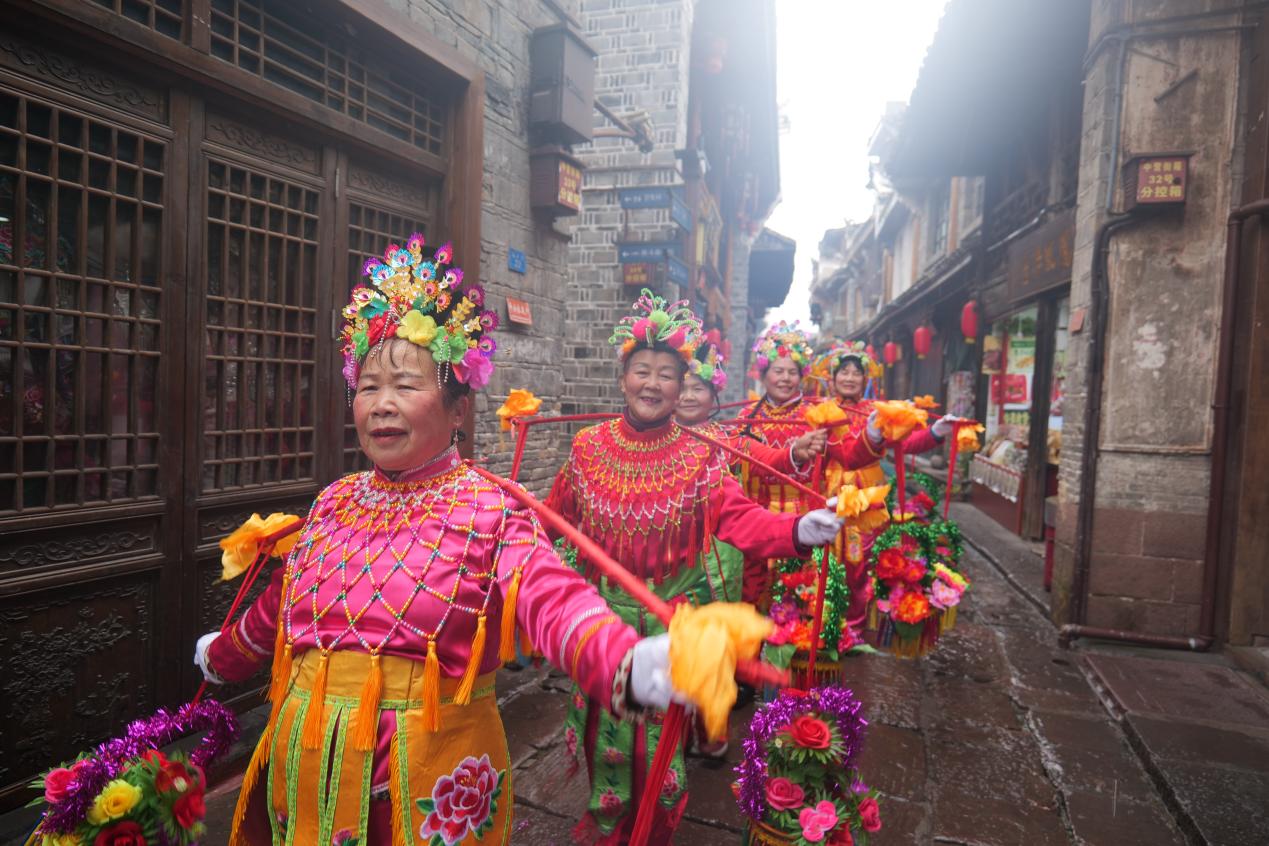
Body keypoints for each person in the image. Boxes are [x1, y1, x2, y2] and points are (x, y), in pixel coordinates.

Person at [192, 239, 691, 846]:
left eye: (405, 385)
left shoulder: (491, 508)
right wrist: (222, 655)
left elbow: (549, 593)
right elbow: (283, 608)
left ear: (457, 409)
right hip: (308, 786)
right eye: (368, 387)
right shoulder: (334, 501)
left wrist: (619, 658)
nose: (381, 405)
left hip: (426, 790)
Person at [546, 291, 845, 846]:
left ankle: (653, 833)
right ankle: (609, 831)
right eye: (642, 370)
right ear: (623, 378)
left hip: (671, 628)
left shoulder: (701, 455)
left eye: (667, 373)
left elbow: (741, 519)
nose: (653, 384)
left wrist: (797, 531)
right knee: (603, 751)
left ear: (683, 384)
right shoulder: (587, 448)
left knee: (661, 766)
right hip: (604, 628)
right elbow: (552, 524)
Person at [820, 341, 964, 630]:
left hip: (870, 496)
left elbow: (905, 443)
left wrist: (937, 431)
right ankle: (824, 623)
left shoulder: (878, 411)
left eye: (855, 372)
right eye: (843, 372)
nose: (849, 378)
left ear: (865, 379)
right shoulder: (822, 412)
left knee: (863, 562)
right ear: (832, 378)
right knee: (828, 561)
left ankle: (856, 626)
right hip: (832, 491)